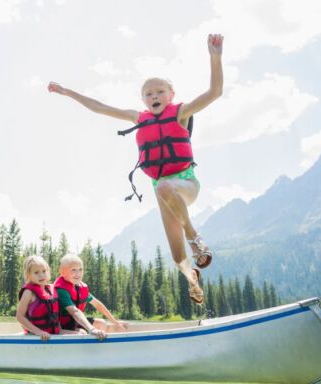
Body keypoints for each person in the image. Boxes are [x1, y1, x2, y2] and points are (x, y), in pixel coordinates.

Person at [48, 34, 224, 305]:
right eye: (149, 94)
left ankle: (193, 235)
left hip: (184, 182)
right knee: (178, 258)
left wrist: (215, 57)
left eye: (160, 92)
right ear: (143, 100)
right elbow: (100, 108)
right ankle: (193, 280)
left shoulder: (181, 112)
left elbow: (214, 93)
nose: (154, 96)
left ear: (171, 95)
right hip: (161, 188)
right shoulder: (137, 117)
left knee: (166, 186)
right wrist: (67, 92)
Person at [54, 254, 128, 340]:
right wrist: (92, 329)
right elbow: (75, 312)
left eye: (80, 269)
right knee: (82, 332)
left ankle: (99, 350)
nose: (78, 273)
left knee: (102, 323)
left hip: (74, 322)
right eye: (73, 270)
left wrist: (115, 322)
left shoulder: (79, 287)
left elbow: (97, 305)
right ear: (62, 272)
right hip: (62, 325)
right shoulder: (61, 290)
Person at [16, 255, 74, 341]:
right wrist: (38, 332)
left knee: (81, 333)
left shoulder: (51, 290)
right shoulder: (28, 293)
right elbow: (20, 316)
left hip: (53, 333)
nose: (41, 275)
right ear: (28, 275)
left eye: (44, 271)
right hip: (35, 335)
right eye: (36, 272)